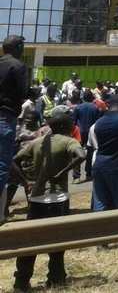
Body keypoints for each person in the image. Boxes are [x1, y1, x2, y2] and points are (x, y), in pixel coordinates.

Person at [12, 111, 86, 291]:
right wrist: (63, 172)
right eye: (70, 126)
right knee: (57, 239)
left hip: (37, 196)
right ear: (63, 127)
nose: (72, 128)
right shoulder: (68, 141)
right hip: (58, 197)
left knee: (31, 240)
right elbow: (82, 156)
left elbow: (13, 160)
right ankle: (56, 278)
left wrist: (26, 181)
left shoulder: (37, 142)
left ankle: (21, 281)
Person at [0, 35, 29, 199]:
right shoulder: (18, 65)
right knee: (3, 164)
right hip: (5, 117)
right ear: (18, 47)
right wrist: (34, 92)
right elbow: (24, 91)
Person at [71, 90, 100, 184]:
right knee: (90, 153)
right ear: (91, 97)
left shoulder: (78, 108)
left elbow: (73, 121)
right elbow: (97, 122)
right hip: (91, 133)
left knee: (77, 154)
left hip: (79, 133)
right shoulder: (95, 107)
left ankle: (76, 177)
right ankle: (88, 174)